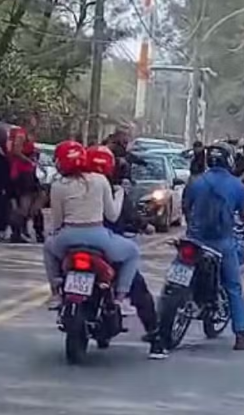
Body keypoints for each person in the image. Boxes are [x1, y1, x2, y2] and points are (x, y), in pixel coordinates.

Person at [85, 145, 167, 359]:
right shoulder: (113, 191)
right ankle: (155, 337)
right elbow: (128, 217)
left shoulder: (74, 185)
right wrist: (144, 224)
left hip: (77, 245)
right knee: (138, 290)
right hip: (108, 248)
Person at [43, 141, 139, 315]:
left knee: (48, 247)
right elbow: (112, 215)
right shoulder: (99, 180)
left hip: (67, 238)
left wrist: (54, 234)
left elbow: (57, 223)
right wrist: (119, 195)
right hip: (98, 237)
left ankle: (56, 292)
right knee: (132, 252)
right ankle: (120, 298)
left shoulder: (57, 185)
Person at [182, 142, 244, 351]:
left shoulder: (196, 182)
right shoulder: (237, 186)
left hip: (194, 241)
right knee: (233, 287)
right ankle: (241, 335)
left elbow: (186, 207)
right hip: (221, 243)